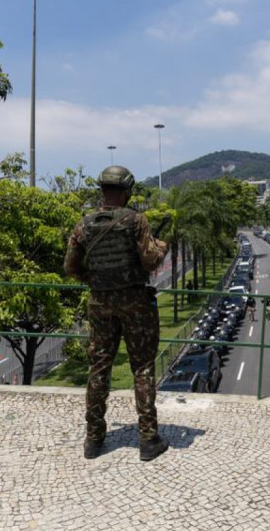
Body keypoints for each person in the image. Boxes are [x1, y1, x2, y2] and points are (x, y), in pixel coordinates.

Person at [64, 166, 169, 462]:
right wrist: (162, 247)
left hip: (99, 303)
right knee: (142, 367)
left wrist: (95, 282)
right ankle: (148, 439)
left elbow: (70, 268)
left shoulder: (83, 225)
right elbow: (150, 261)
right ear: (127, 191)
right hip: (135, 302)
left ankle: (94, 439)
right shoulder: (136, 220)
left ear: (102, 190)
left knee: (98, 368)